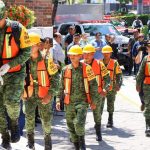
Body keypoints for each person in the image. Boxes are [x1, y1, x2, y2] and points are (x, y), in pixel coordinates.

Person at [0, 1, 31, 149]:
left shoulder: (17, 28)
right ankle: (5, 138)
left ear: (5, 15)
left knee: (11, 102)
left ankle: (14, 123)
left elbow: (27, 52)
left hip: (15, 72)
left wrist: (9, 64)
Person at [56, 45, 99, 150]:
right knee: (70, 125)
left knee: (79, 123)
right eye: (70, 55)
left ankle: (82, 144)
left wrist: (94, 101)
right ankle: (76, 145)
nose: (71, 57)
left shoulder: (87, 68)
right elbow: (60, 86)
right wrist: (58, 100)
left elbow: (94, 86)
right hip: (68, 102)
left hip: (82, 102)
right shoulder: (65, 69)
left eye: (74, 55)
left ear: (80, 56)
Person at [22, 33, 59, 150]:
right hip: (29, 95)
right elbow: (17, 78)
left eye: (31, 45)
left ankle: (48, 144)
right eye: (27, 45)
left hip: (44, 95)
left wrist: (50, 95)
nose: (29, 48)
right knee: (29, 118)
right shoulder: (23, 61)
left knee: (46, 120)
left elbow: (56, 79)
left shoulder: (47, 59)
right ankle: (30, 143)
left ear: (38, 45)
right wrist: (20, 93)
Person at [82, 44, 110, 141]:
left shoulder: (99, 64)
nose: (86, 56)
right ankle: (78, 134)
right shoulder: (80, 64)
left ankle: (98, 132)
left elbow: (107, 79)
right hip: (83, 94)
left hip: (97, 93)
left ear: (93, 54)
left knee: (97, 114)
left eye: (88, 54)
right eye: (84, 54)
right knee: (80, 114)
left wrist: (105, 89)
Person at [101, 45, 123, 128]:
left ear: (110, 53)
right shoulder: (99, 62)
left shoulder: (114, 63)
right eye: (105, 53)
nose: (106, 54)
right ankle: (98, 121)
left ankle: (110, 120)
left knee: (110, 104)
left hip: (111, 88)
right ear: (102, 53)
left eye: (108, 53)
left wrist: (118, 84)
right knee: (100, 105)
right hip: (102, 88)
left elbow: (119, 75)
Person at [136, 43, 150, 137]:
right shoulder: (146, 58)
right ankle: (148, 126)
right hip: (147, 85)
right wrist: (138, 84)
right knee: (149, 106)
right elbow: (140, 72)